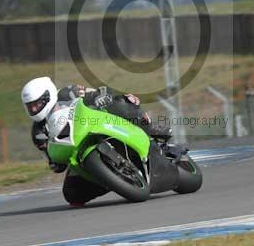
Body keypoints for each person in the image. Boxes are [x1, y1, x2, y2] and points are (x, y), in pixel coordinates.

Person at [20, 77, 172, 206]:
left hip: (96, 122)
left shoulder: (67, 93)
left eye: (37, 103)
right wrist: (54, 162)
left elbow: (95, 93)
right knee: (71, 195)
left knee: (121, 102)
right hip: (78, 154)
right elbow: (54, 160)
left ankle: (150, 128)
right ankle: (113, 179)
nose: (34, 108)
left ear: (48, 96)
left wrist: (100, 97)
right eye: (30, 106)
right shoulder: (38, 134)